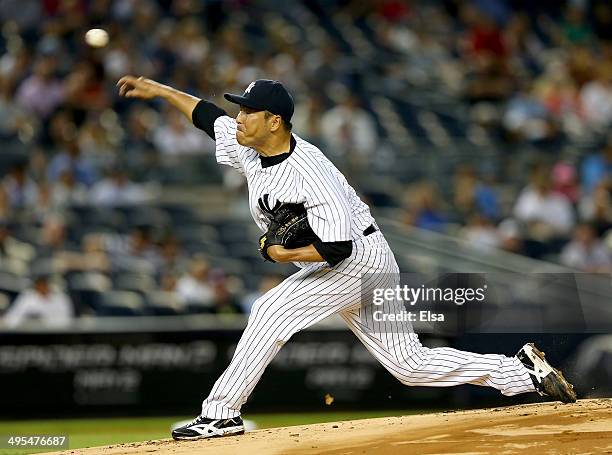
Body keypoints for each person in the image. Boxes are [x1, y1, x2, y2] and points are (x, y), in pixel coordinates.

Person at [117, 75, 576, 440]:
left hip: (356, 262)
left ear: (274, 121)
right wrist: (158, 91)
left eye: (248, 111)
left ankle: (221, 414)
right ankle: (519, 371)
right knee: (409, 365)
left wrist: (281, 253)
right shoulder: (249, 145)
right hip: (354, 258)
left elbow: (339, 248)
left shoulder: (308, 173)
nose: (239, 117)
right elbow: (206, 116)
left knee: (269, 311)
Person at [3, 271, 74, 328]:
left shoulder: (60, 298)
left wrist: (45, 321)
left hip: (55, 335)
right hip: (27, 336)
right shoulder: (27, 297)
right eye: (39, 284)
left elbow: (67, 321)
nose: (42, 287)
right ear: (36, 285)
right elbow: (12, 319)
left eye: (44, 284)